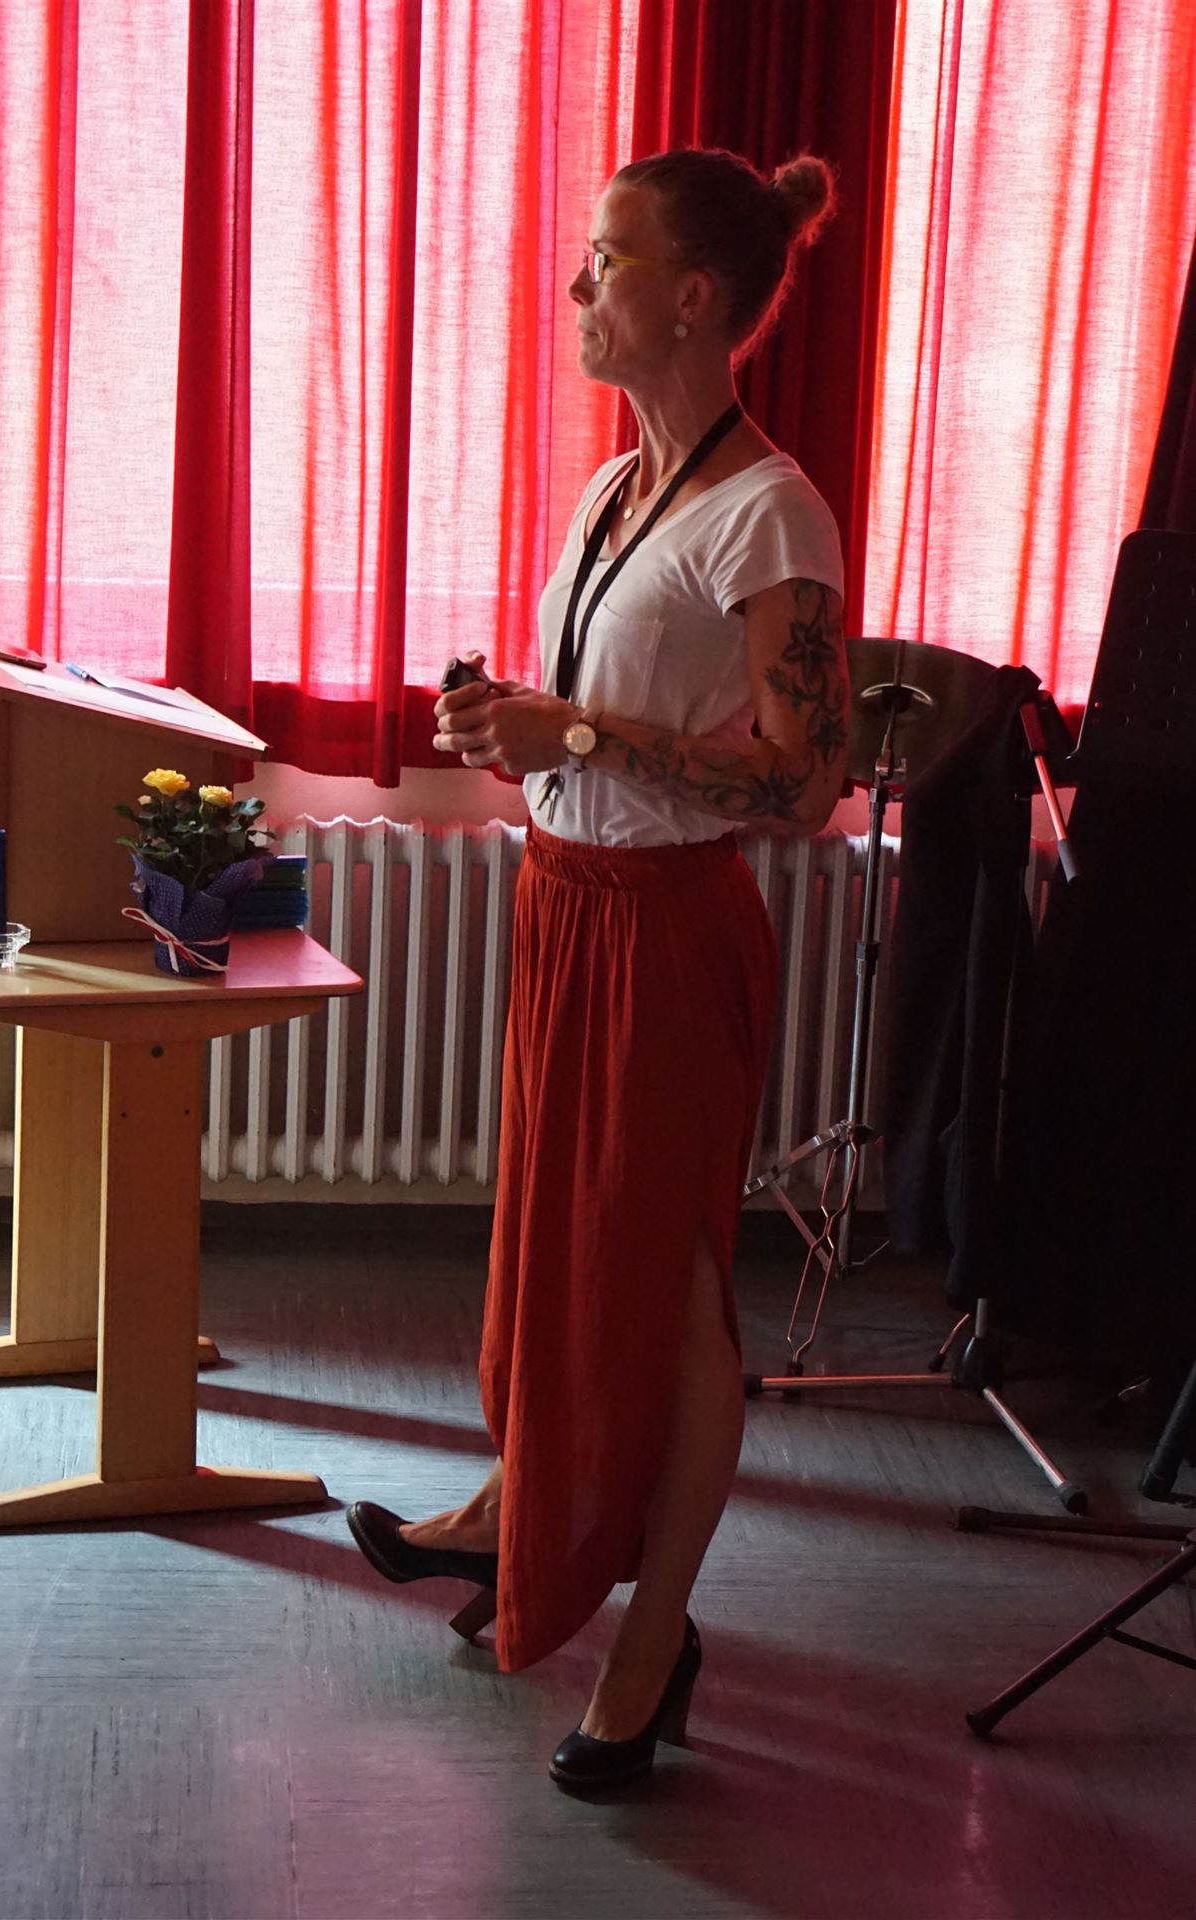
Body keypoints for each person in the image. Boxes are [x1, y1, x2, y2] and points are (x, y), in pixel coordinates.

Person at [348, 146, 850, 1790]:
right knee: (559, 1257)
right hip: (567, 903)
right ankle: (520, 1515)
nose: (577, 283)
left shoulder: (768, 511)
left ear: (693, 298)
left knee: (675, 1294)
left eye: (606, 257)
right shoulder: (618, 488)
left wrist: (575, 733)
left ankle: (654, 1642)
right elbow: (603, 726)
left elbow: (807, 780)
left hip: (666, 936)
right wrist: (517, 729)